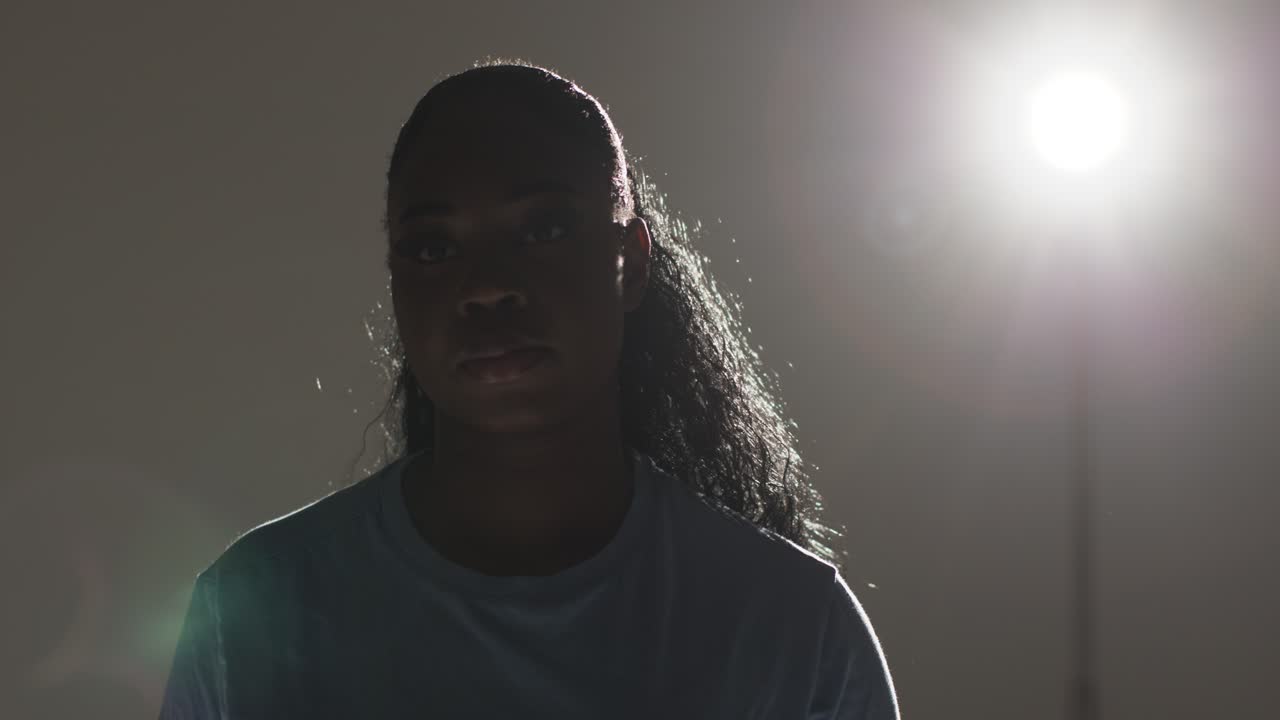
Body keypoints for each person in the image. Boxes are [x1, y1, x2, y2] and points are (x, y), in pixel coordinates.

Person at [158, 59, 899, 719]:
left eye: (542, 229)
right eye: (433, 247)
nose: (485, 287)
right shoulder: (250, 612)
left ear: (631, 262)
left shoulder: (795, 627)